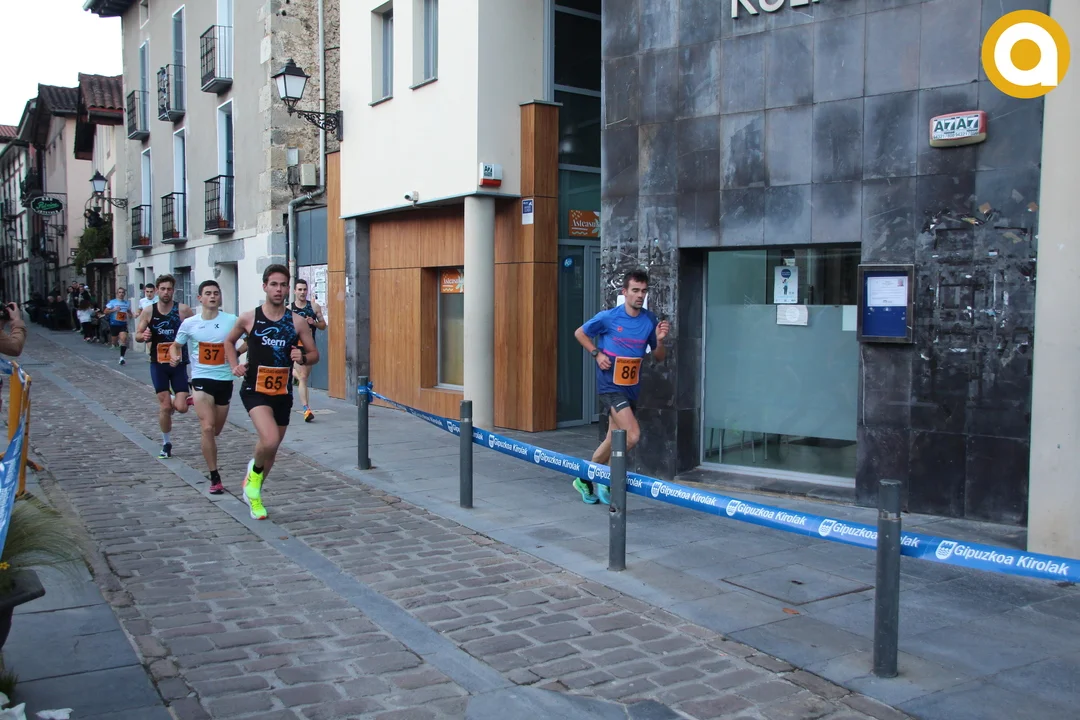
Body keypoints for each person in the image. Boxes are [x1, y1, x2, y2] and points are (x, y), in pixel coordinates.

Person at [225, 265, 318, 520]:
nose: (279, 289)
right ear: (265, 286)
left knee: (272, 450)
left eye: (283, 285)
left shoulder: (297, 322)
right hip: (254, 389)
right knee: (269, 440)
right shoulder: (249, 318)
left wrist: (303, 356)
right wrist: (234, 365)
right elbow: (229, 342)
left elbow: (314, 354)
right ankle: (253, 484)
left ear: (288, 289)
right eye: (274, 284)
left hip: (282, 392)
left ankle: (253, 491)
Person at [573, 269, 669, 505]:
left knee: (612, 437)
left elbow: (659, 357)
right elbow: (580, 333)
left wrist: (659, 341)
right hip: (610, 386)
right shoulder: (608, 317)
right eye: (635, 290)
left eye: (643, 291)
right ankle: (604, 477)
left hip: (631, 387)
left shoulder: (649, 320)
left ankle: (585, 478)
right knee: (632, 435)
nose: (640, 295)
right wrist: (596, 354)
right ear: (624, 292)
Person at [171, 280, 246, 495]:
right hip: (201, 378)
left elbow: (250, 339)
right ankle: (215, 477)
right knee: (207, 428)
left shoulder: (231, 320)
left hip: (224, 380)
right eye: (208, 293)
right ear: (200, 298)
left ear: (220, 297)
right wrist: (175, 356)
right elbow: (176, 345)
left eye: (216, 293)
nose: (212, 296)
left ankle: (195, 401)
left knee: (216, 430)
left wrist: (236, 353)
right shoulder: (190, 323)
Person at [136, 275, 195, 459]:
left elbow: (198, 328)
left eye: (169, 289)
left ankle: (176, 398)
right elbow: (137, 334)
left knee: (181, 407)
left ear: (173, 291)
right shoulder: (149, 311)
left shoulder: (183, 310)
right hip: (158, 364)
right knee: (164, 406)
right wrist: (143, 336)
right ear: (157, 290)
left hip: (178, 363)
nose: (166, 292)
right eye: (162, 289)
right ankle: (166, 443)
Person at [290, 278, 326, 422]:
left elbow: (323, 325)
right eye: (299, 289)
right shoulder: (288, 309)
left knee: (303, 376)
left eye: (304, 289)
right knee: (303, 377)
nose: (302, 292)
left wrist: (314, 323)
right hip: (294, 347)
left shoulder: (314, 307)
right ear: (294, 291)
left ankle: (290, 373)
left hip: (309, 348)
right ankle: (306, 409)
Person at [103, 286, 133, 363]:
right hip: (114, 323)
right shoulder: (112, 302)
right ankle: (114, 344)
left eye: (122, 292)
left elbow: (129, 311)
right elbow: (105, 311)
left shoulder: (127, 303)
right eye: (119, 292)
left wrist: (130, 315)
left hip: (123, 324)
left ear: (124, 294)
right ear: (117, 294)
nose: (121, 294)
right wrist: (114, 309)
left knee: (123, 339)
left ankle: (122, 358)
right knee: (114, 342)